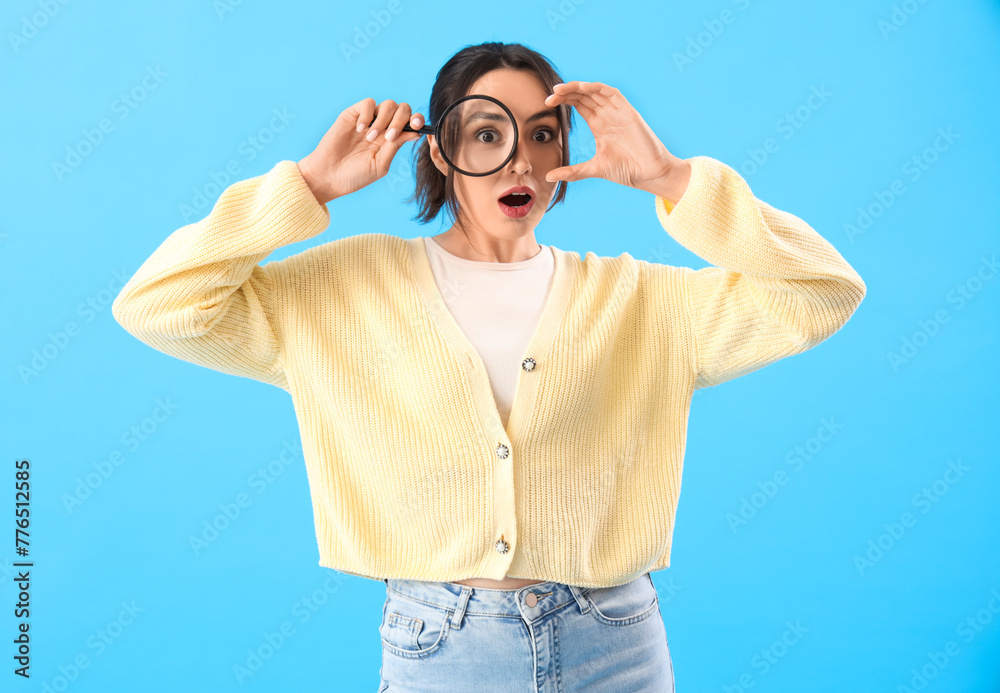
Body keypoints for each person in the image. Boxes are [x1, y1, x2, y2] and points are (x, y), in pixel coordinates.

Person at [112, 41, 865, 692]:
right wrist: (304, 188)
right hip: (443, 645)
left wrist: (673, 178)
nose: (524, 161)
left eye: (545, 134)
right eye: (487, 134)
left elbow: (822, 291)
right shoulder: (342, 290)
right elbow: (157, 303)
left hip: (617, 639)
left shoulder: (639, 299)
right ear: (441, 150)